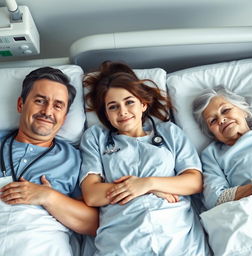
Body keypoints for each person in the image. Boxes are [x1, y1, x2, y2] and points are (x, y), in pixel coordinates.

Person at [79, 61, 210, 255]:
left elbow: (194, 182)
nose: (122, 111)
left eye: (129, 102)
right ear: (106, 114)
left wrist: (148, 184)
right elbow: (91, 194)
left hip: (176, 237)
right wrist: (148, 187)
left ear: (143, 103)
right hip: (123, 240)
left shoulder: (170, 133)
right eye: (113, 106)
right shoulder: (96, 138)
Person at [0, 67, 98, 256]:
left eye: (57, 106)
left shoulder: (75, 158)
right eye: (39, 101)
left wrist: (48, 197)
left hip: (40, 243)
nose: (47, 111)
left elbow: (93, 223)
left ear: (64, 117)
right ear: (21, 105)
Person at [192, 85, 252, 210]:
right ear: (212, 133)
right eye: (213, 121)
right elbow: (215, 199)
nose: (221, 120)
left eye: (225, 110)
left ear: (243, 110)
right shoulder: (212, 154)